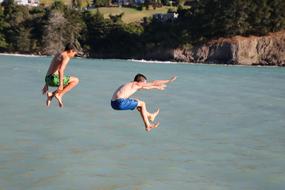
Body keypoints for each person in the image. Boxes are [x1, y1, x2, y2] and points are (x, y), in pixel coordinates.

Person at [111, 73, 176, 132]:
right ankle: (148, 125)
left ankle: (150, 116)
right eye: (144, 83)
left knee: (137, 103)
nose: (145, 84)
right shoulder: (136, 84)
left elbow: (146, 87)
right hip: (119, 102)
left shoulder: (131, 84)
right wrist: (168, 81)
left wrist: (156, 87)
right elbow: (154, 82)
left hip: (113, 103)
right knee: (142, 104)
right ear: (140, 82)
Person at [42, 43, 80, 108]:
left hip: (48, 78)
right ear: (71, 50)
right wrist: (61, 84)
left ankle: (51, 95)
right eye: (74, 54)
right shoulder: (66, 57)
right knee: (76, 80)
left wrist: (46, 84)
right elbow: (60, 70)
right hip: (53, 79)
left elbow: (51, 68)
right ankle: (59, 94)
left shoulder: (58, 54)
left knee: (68, 81)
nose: (74, 56)